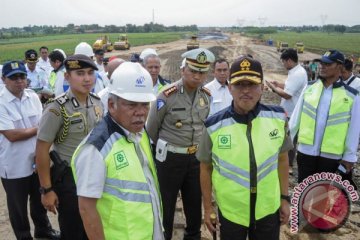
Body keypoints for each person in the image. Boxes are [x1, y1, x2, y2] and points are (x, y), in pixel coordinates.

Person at [198, 56, 291, 240]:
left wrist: (284, 198)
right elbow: (205, 168)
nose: (246, 90)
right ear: (230, 87)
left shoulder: (278, 119)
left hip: (268, 210)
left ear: (262, 87)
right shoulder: (213, 126)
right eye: (240, 84)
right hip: (231, 213)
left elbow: (282, 159)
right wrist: (208, 208)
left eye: (252, 84)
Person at [71, 62, 164, 240]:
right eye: (131, 105)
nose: (140, 112)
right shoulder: (96, 149)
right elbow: (86, 208)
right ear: (112, 104)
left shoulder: (140, 132)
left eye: (145, 105)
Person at [147, 48, 215, 240]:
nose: (197, 76)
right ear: (182, 70)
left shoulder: (207, 96)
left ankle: (192, 236)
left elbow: (205, 126)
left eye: (202, 72)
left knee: (194, 205)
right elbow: (152, 130)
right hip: (169, 159)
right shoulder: (166, 96)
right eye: (193, 70)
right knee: (166, 205)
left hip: (195, 159)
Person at [35, 54, 104, 240]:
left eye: (90, 73)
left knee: (95, 227)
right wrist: (46, 191)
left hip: (96, 176)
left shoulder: (97, 103)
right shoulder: (56, 109)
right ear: (67, 77)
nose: (87, 78)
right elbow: (41, 151)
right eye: (80, 73)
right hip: (70, 180)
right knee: (73, 231)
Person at [0, 61, 60, 240]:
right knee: (17, 206)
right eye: (14, 77)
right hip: (14, 165)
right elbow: (12, 135)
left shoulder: (33, 97)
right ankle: (23, 236)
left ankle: (43, 230)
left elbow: (43, 125)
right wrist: (39, 128)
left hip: (36, 160)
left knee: (38, 199)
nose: (19, 81)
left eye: (22, 76)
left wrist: (39, 129)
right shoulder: (1, 102)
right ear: (4, 79)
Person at [289, 50, 360, 183]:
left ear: (340, 67)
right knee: (304, 195)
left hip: (331, 157)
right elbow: (295, 119)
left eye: (327, 64)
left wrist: (349, 157)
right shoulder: (309, 88)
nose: (322, 66)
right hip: (306, 153)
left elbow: (354, 129)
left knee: (324, 198)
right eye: (321, 63)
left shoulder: (351, 95)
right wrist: (285, 144)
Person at [267, 48, 308, 173]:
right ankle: (285, 161)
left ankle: (288, 165)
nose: (283, 65)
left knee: (290, 138)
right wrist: (279, 84)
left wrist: (273, 88)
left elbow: (287, 95)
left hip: (292, 112)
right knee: (288, 136)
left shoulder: (297, 74)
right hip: (289, 110)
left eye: (284, 62)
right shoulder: (296, 72)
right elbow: (291, 88)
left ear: (289, 60)